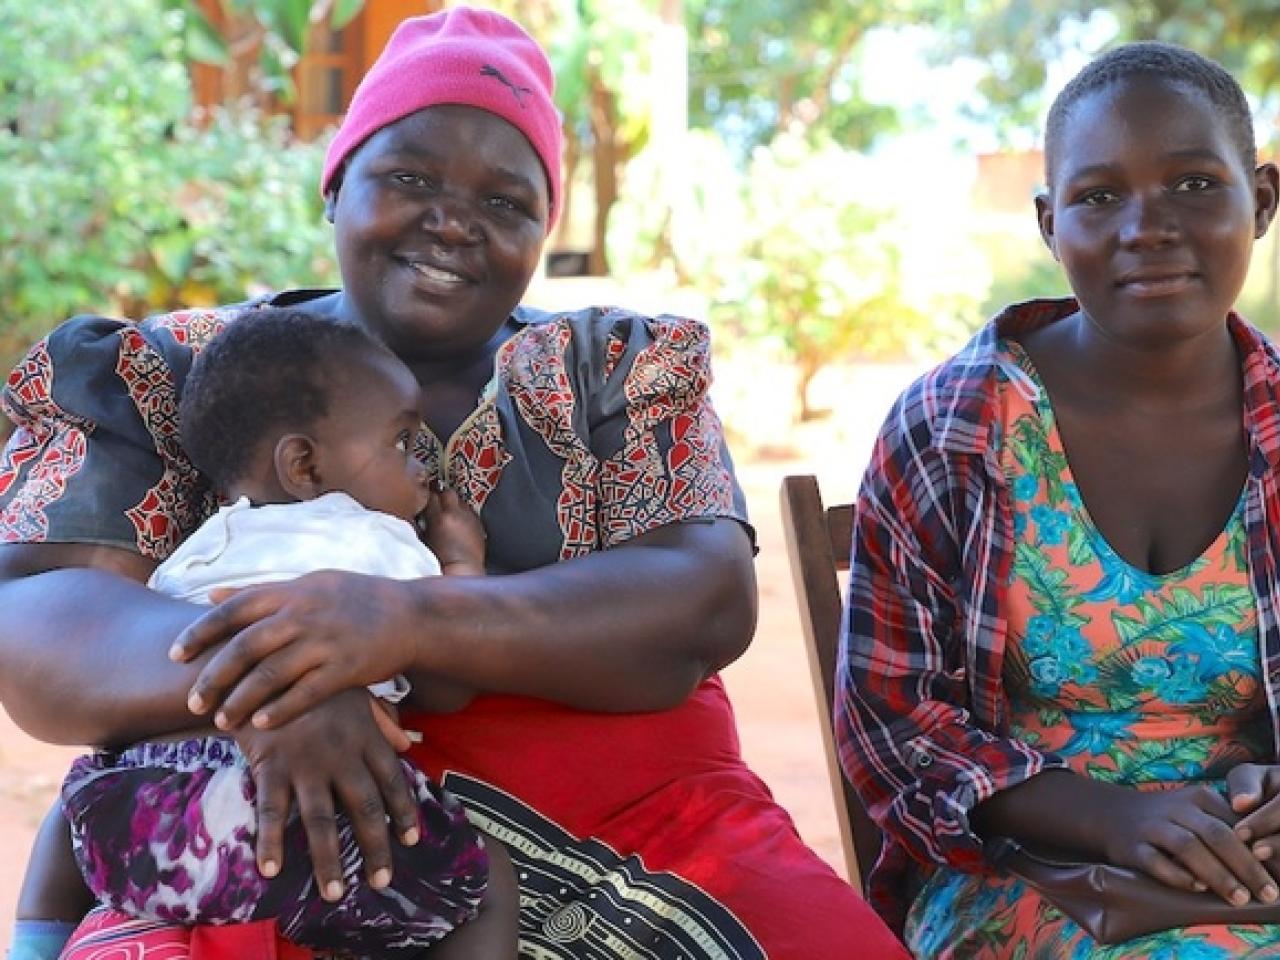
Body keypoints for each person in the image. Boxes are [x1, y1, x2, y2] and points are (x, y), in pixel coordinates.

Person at [0, 6, 908, 959]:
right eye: (409, 177)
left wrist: (399, 624)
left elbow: (704, 597)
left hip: (651, 820)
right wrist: (292, 684)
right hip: (266, 805)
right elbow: (38, 618)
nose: (454, 223)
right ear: (336, 182)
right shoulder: (184, 372)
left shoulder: (614, 370)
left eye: (507, 203)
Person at [837, 40, 1280, 958]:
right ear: (1049, 222)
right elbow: (891, 719)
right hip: (1033, 872)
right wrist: (1109, 818)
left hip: (1256, 864)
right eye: (1098, 195)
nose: (1146, 226)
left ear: (1263, 201)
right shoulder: (955, 429)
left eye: (1194, 185)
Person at [19, 308, 518, 959]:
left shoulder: (193, 554)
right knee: (489, 883)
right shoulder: (377, 542)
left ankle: (35, 938)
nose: (420, 469)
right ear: (304, 467)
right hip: (310, 830)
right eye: (401, 442)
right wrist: (460, 564)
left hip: (147, 835)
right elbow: (448, 686)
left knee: (78, 797)